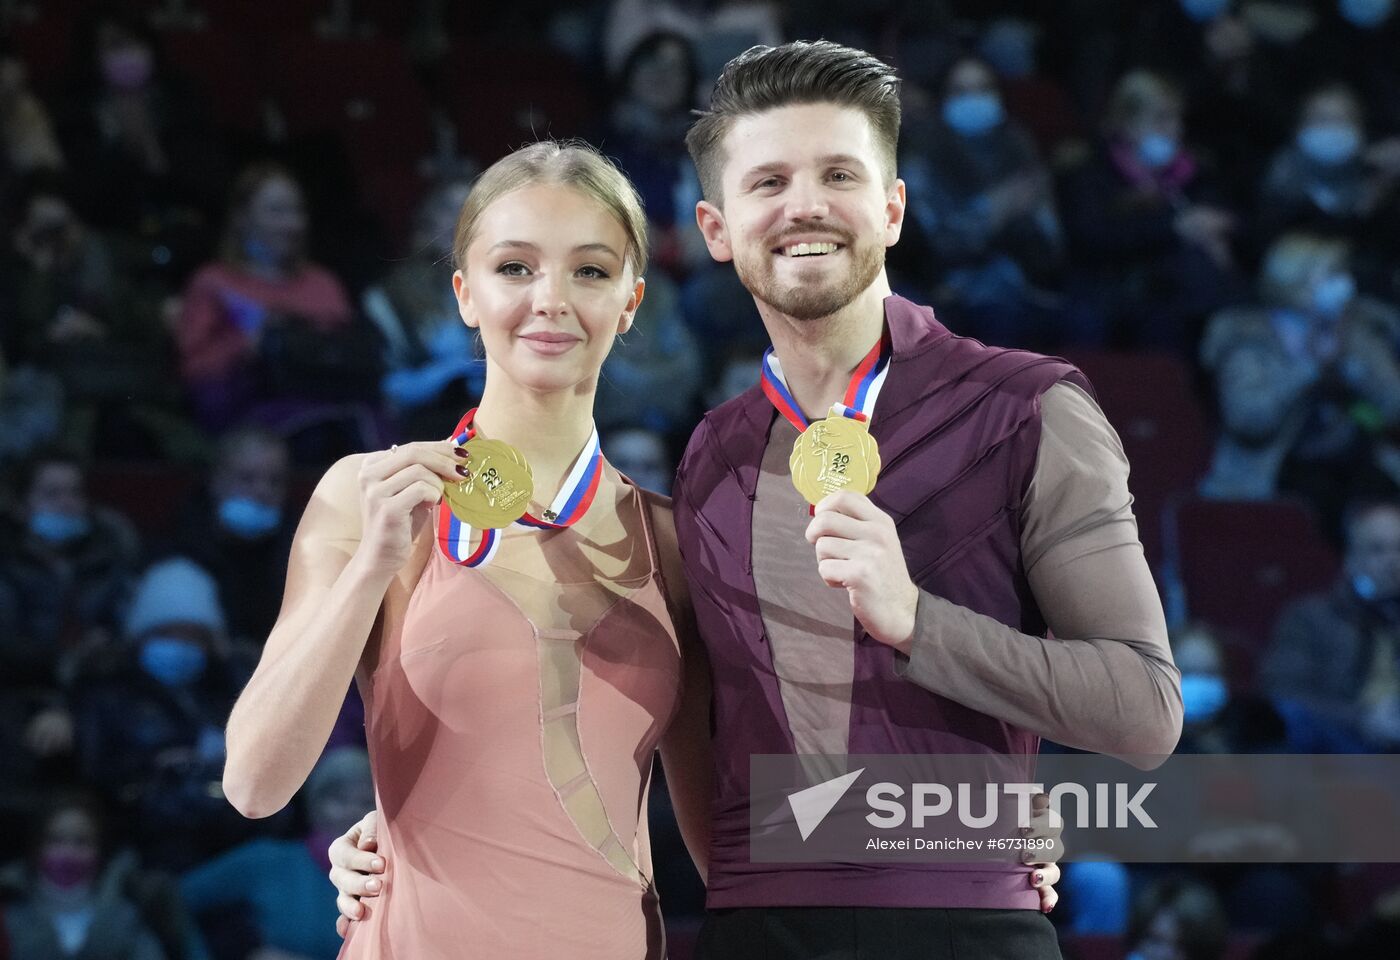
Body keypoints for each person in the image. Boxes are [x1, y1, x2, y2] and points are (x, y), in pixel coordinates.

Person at [332, 41, 1133, 959]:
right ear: (715, 227)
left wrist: (925, 653)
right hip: (755, 929)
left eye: (839, 173)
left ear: (893, 207)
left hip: (962, 926)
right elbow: (678, 728)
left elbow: (1141, 707)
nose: (804, 205)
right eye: (769, 182)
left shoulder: (1026, 406)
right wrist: (413, 822)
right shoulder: (716, 455)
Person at [222, 141, 716, 960]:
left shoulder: (672, 540)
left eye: (590, 272)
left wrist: (980, 837)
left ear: (631, 301)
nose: (551, 299)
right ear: (464, 294)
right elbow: (254, 784)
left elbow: (720, 839)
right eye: (515, 268)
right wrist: (374, 565)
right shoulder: (368, 497)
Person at [181, 747, 374, 960]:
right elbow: (171, 898)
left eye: (365, 802)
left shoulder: (385, 877)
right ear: (315, 804)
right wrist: (237, 950)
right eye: (339, 800)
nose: (352, 811)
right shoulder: (265, 860)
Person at [1262, 499, 1400, 751]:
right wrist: (1362, 718)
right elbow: (1285, 693)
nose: (1392, 561)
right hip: (1340, 746)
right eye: (1377, 549)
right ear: (1351, 557)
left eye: (1399, 549)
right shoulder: (1311, 618)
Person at [0, 794, 168, 960]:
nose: (68, 853)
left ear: (100, 849)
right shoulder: (9, 909)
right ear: (36, 846)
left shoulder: (125, 914)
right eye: (56, 840)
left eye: (81, 841)